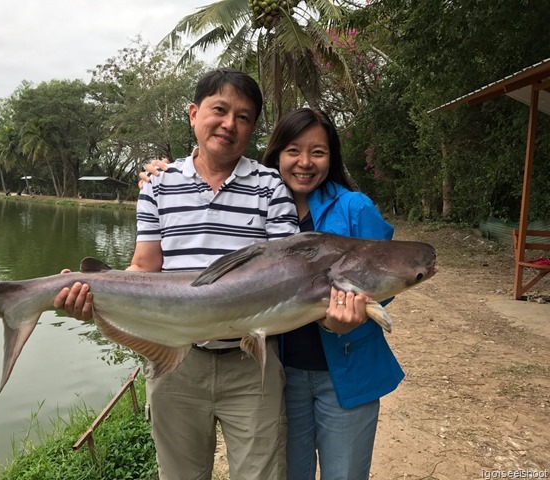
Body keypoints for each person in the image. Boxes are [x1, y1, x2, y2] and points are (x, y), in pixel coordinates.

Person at [54, 68, 299, 480]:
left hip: (251, 366)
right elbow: (144, 267)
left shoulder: (271, 186)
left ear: (253, 129)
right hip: (175, 363)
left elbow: (287, 270)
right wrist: (97, 296)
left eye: (243, 117)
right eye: (219, 110)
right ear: (193, 113)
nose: (229, 124)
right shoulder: (158, 184)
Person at [142, 107, 403, 480]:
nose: (305, 163)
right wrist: (166, 176)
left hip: (344, 370)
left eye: (318, 152)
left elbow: (386, 276)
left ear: (332, 157)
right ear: (276, 153)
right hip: (283, 373)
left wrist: (353, 310)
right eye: (293, 150)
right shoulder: (260, 200)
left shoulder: (354, 207)